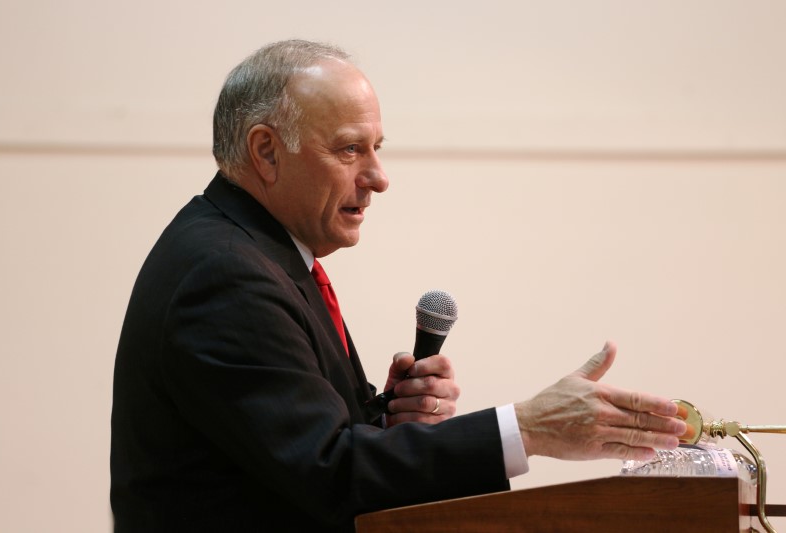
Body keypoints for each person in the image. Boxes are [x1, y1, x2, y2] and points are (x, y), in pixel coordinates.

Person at [110, 39, 686, 532]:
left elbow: (292, 454)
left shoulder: (254, 250)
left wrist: (386, 421)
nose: (379, 179)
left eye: (376, 149)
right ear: (266, 151)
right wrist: (527, 428)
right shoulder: (225, 275)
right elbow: (329, 473)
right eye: (349, 149)